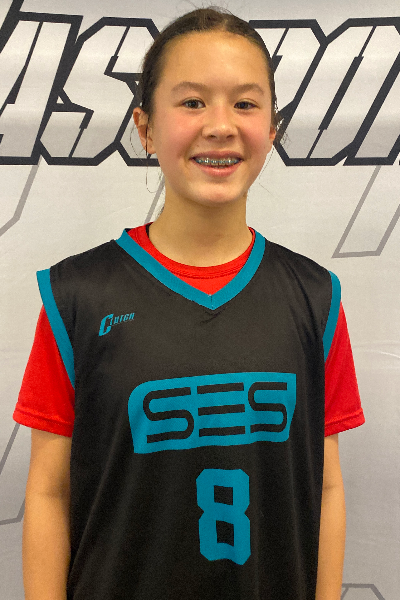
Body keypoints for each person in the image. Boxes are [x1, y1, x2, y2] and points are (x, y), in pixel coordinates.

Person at [14, 6, 365, 600]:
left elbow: (326, 486)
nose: (221, 126)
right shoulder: (77, 295)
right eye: (193, 102)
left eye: (246, 103)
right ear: (146, 127)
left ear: (273, 128)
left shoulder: (315, 297)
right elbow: (49, 493)